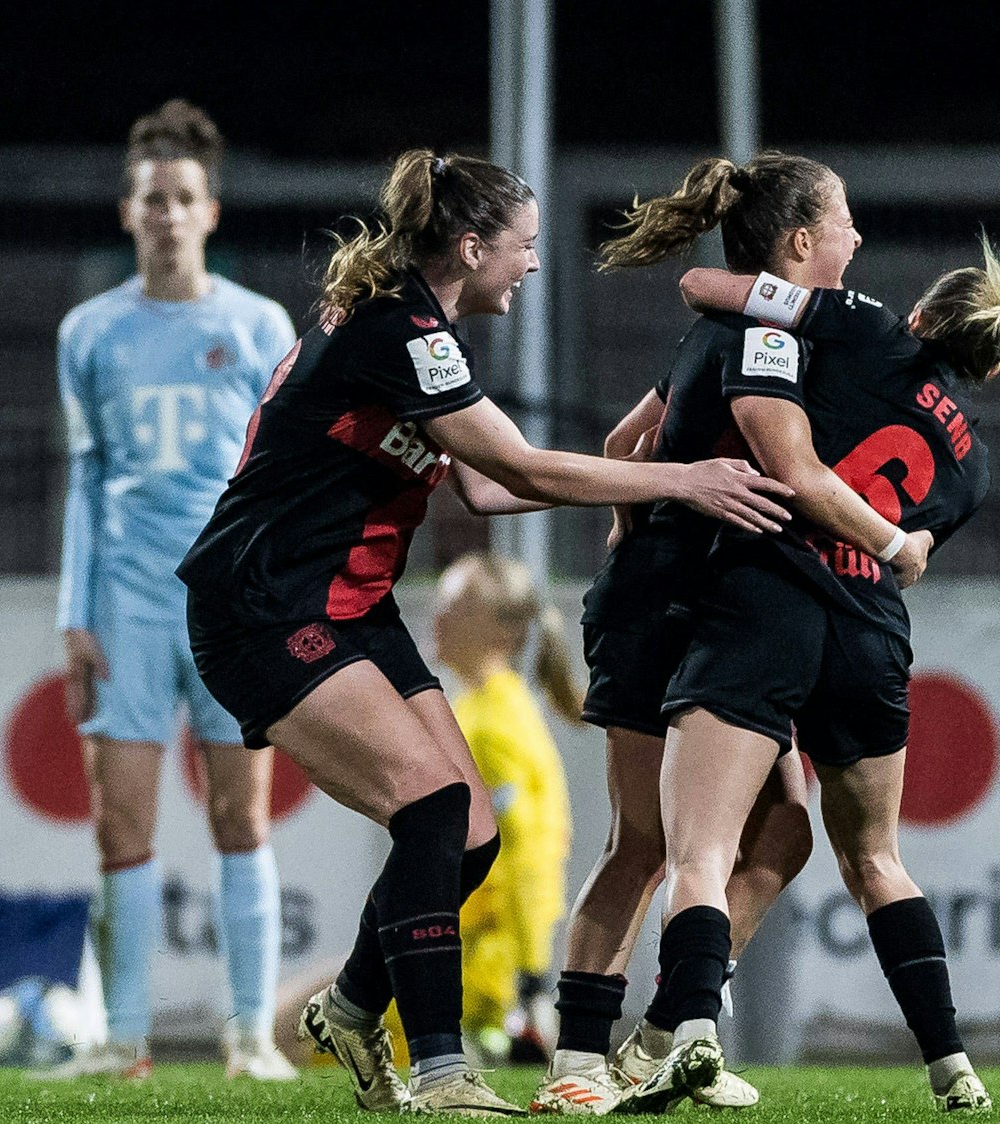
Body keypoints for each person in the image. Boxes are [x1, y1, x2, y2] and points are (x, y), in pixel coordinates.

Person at [176, 148, 792, 1116]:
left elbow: (486, 482)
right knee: (425, 807)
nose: (534, 264)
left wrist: (632, 479)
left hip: (346, 602)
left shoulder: (420, 330)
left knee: (467, 830)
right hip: (267, 601)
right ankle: (440, 1072)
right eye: (525, 246)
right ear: (470, 245)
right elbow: (522, 467)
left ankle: (348, 1006)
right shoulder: (402, 327)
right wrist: (682, 478)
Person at [610, 238, 1000, 1115]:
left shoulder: (867, 327)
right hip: (870, 631)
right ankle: (950, 1065)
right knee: (874, 858)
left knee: (699, 849)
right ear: (985, 368)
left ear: (921, 317)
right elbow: (907, 553)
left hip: (762, 596)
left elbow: (705, 285)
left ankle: (685, 1028)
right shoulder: (975, 466)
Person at [533, 152, 877, 1115]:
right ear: (802, 241)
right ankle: (624, 1049)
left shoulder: (718, 325)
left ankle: (633, 1042)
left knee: (770, 835)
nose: (857, 238)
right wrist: (892, 541)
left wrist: (631, 536)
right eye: (844, 221)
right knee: (660, 843)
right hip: (695, 613)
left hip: (668, 598)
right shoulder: (765, 333)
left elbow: (620, 447)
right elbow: (794, 470)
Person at [38, 99, 298, 1083]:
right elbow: (87, 477)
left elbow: (279, 478)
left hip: (230, 604)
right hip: (128, 608)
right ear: (127, 211)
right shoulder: (88, 332)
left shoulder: (259, 324)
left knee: (243, 817)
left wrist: (279, 592)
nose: (167, 212)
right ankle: (122, 1037)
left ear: (211, 212)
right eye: (152, 197)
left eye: (183, 196)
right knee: (121, 828)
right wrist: (75, 615)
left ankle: (246, 1037)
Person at [431, 552, 575, 1065]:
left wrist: (532, 980)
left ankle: (511, 1035)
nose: (436, 615)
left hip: (482, 978)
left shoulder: (493, 724)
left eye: (453, 603)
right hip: (467, 958)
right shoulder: (480, 708)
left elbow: (526, 854)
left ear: (499, 628)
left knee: (306, 1020)